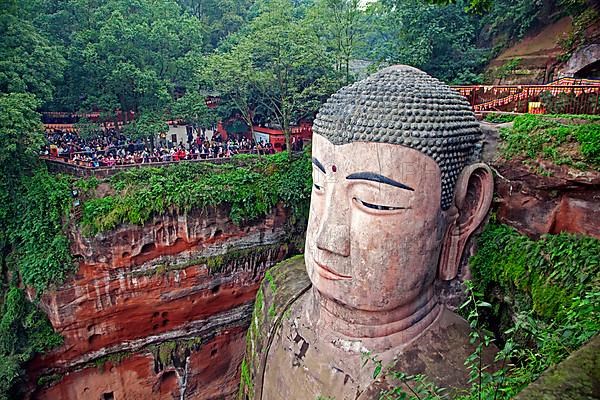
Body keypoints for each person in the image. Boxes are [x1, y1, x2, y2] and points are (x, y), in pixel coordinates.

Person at [240, 65, 495, 400]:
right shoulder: (279, 297)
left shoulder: (467, 376)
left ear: (463, 213)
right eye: (319, 185)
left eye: (372, 202)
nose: (326, 239)